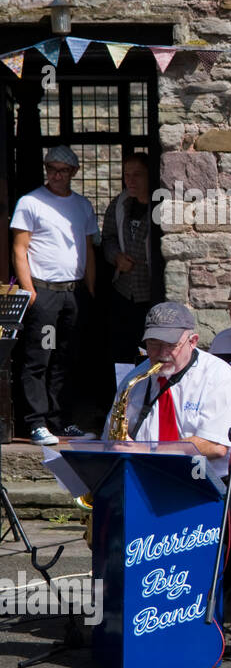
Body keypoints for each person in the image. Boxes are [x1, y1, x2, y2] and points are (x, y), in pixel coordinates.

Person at [104, 301, 231, 565]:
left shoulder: (219, 375)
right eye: (153, 345)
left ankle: (223, 599)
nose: (160, 354)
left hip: (216, 480)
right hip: (153, 480)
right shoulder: (134, 380)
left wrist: (146, 449)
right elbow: (112, 438)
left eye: (169, 345)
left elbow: (214, 446)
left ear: (193, 341)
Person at [11, 145, 98, 445]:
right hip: (46, 293)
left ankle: (59, 420)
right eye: (51, 169)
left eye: (63, 170)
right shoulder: (31, 202)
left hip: (73, 294)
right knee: (40, 356)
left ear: (74, 172)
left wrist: (90, 289)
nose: (57, 175)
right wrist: (30, 292)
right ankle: (36, 422)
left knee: (66, 357)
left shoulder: (82, 205)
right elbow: (19, 248)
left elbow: (87, 249)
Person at [101, 153, 159, 364]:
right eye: (127, 175)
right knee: (122, 350)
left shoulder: (161, 206)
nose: (131, 181)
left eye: (138, 175)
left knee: (151, 350)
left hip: (152, 294)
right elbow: (107, 238)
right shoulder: (119, 205)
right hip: (124, 292)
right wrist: (116, 257)